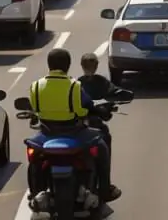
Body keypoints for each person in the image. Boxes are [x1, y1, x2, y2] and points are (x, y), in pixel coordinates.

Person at [27, 49, 118, 204]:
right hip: (73, 132)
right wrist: (99, 110)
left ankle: (35, 191)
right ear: (68, 66)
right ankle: (104, 189)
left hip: (46, 134)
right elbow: (83, 109)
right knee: (102, 146)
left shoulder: (35, 86)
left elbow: (34, 109)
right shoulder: (74, 86)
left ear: (49, 64)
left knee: (33, 157)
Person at [76, 52, 124, 201]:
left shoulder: (77, 84)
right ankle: (104, 188)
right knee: (104, 143)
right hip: (83, 128)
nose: (90, 68)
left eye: (91, 65)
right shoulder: (78, 85)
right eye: (88, 65)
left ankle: (104, 187)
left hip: (77, 128)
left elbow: (114, 92)